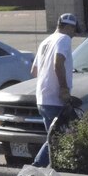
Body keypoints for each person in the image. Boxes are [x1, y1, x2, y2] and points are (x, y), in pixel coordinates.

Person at [29, 13, 80, 167]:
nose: (74, 34)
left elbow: (34, 71)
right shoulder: (63, 39)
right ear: (68, 27)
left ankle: (50, 172)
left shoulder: (45, 41)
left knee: (54, 138)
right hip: (54, 99)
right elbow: (58, 64)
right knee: (55, 138)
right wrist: (64, 88)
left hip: (42, 98)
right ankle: (34, 170)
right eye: (74, 30)